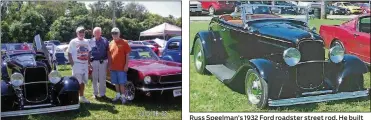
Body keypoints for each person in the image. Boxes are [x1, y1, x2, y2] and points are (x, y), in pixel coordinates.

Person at [67, 26, 92, 103]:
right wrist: (72, 63)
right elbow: (69, 53)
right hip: (77, 64)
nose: (81, 33)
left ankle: (81, 97)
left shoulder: (87, 41)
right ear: (77, 33)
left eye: (83, 32)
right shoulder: (73, 41)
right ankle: (75, 97)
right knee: (77, 81)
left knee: (83, 81)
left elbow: (89, 52)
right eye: (80, 32)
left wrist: (89, 63)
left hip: (84, 64)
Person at [108, 27, 131, 104]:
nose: (114, 35)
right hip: (113, 68)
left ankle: (123, 97)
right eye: (113, 33)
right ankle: (118, 95)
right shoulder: (111, 43)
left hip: (121, 68)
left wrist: (126, 65)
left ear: (119, 33)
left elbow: (127, 55)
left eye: (116, 33)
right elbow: (110, 55)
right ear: (111, 34)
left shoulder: (124, 42)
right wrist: (109, 65)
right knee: (116, 83)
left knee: (122, 83)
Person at [90, 27, 109, 100]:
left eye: (98, 32)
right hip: (94, 62)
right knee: (94, 78)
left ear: (101, 33)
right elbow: (89, 52)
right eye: (95, 32)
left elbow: (108, 52)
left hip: (103, 61)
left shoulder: (105, 40)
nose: (97, 34)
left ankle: (102, 94)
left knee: (102, 78)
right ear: (93, 33)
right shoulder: (91, 41)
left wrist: (109, 63)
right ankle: (95, 93)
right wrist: (89, 63)